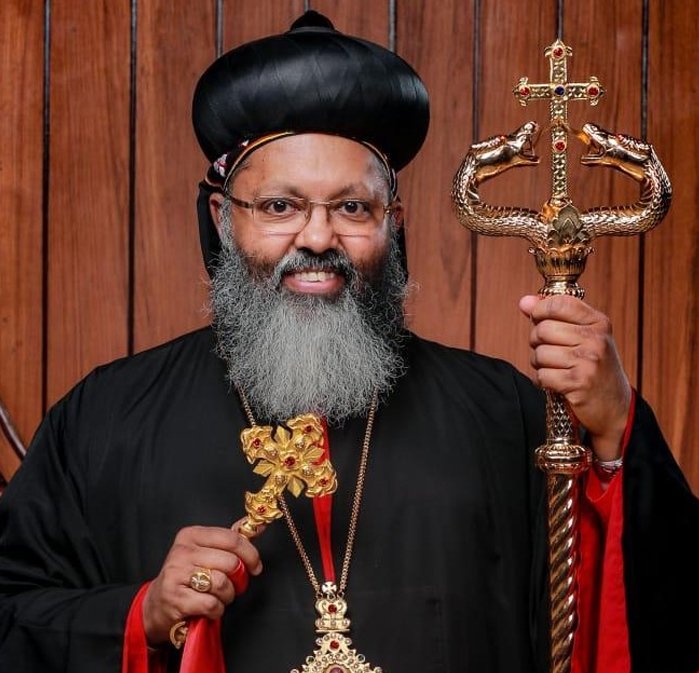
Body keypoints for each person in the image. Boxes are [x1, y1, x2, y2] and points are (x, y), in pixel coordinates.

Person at [0, 11, 697, 673]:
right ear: (221, 217)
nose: (316, 237)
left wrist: (615, 431)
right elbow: (13, 616)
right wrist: (141, 614)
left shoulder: (500, 412)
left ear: (394, 222)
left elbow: (635, 614)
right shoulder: (107, 419)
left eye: (352, 207)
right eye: (279, 206)